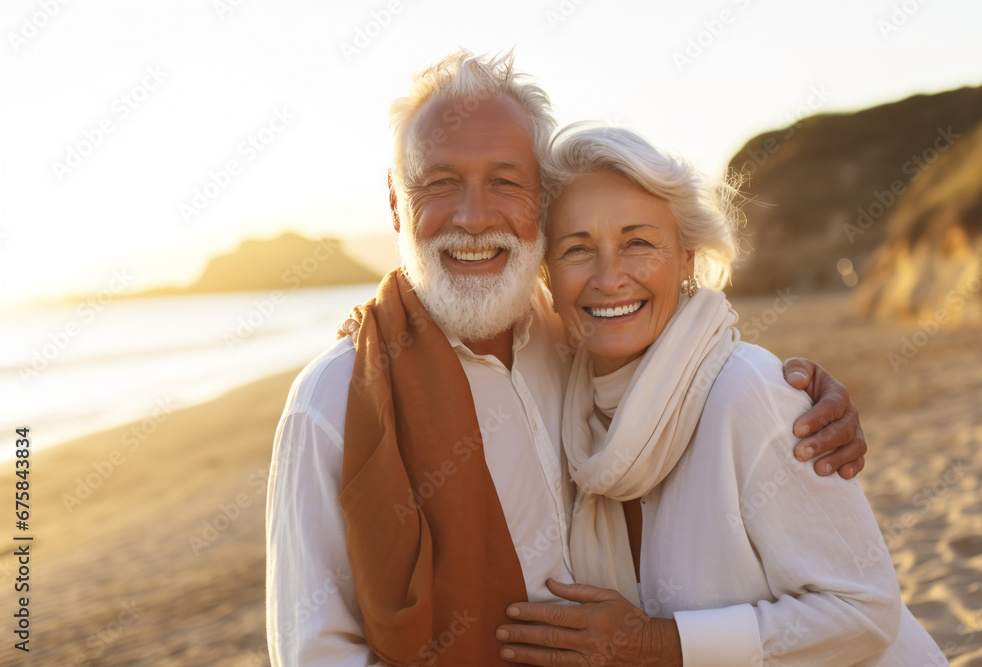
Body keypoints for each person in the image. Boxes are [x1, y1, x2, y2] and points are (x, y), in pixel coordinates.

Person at [265, 49, 869, 666]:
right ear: (396, 200)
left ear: (539, 206)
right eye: (440, 182)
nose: (474, 218)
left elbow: (707, 370)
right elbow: (316, 654)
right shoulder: (331, 404)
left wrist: (800, 398)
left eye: (504, 181)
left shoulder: (575, 340)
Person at [494, 124, 945, 665]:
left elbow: (866, 611)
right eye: (576, 249)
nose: (609, 277)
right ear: (546, 273)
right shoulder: (573, 413)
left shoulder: (750, 393)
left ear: (687, 259)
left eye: (638, 242)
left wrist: (653, 644)